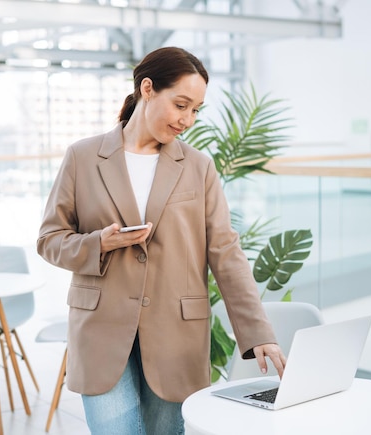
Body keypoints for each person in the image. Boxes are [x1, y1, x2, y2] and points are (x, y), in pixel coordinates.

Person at [37, 46, 286, 435]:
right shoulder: (83, 157)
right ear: (148, 89)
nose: (187, 119)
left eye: (196, 110)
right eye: (181, 105)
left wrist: (258, 334)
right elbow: (50, 239)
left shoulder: (199, 168)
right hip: (101, 332)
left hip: (176, 337)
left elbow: (225, 251)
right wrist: (99, 244)